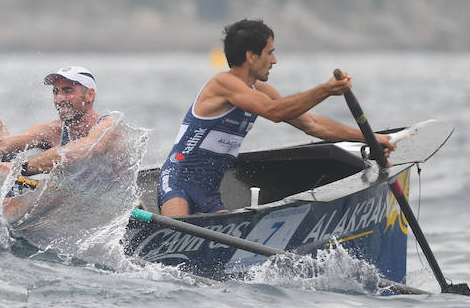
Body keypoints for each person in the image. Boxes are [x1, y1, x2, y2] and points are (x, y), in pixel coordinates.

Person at [156, 19, 394, 216]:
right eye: (269, 53)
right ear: (251, 56)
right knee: (177, 235)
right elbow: (275, 112)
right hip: (177, 183)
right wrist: (325, 90)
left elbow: (312, 124)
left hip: (209, 195)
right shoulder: (223, 84)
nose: (274, 60)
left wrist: (369, 138)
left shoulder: (262, 91)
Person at [0, 65, 119, 180]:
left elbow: (79, 151)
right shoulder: (51, 130)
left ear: (90, 95)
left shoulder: (108, 127)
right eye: (55, 92)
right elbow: (0, 145)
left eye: (67, 91)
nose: (59, 99)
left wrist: (19, 167)